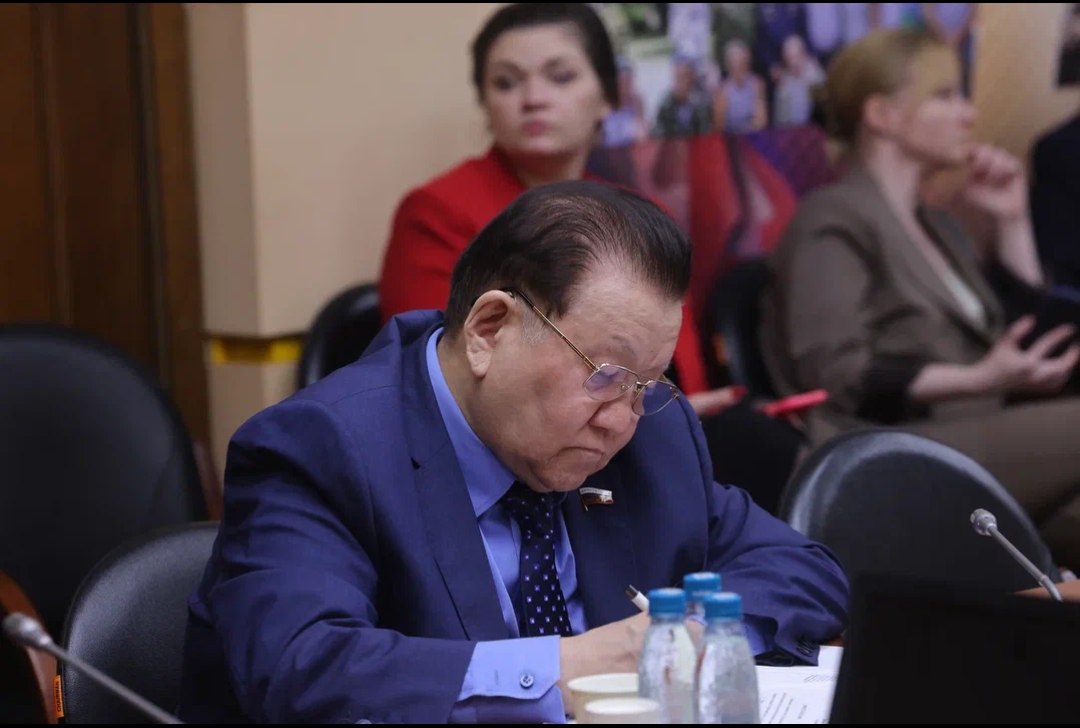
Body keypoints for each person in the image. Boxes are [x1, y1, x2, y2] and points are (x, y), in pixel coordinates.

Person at [178, 180, 850, 723]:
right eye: (607, 376)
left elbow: (802, 570)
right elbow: (302, 667)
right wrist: (568, 667)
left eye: (647, 385)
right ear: (489, 329)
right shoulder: (322, 449)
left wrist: (695, 635)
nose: (624, 420)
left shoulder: (653, 436)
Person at [760, 27, 1080, 569]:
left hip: (985, 434)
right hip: (888, 446)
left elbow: (1026, 336)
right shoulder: (831, 217)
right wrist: (979, 378)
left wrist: (1013, 220)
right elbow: (835, 372)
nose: (968, 114)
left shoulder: (941, 224)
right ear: (882, 114)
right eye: (945, 95)